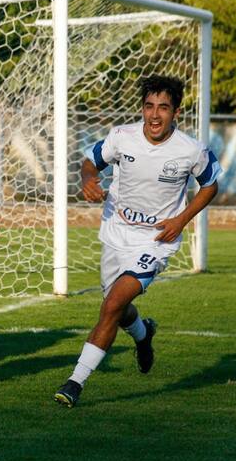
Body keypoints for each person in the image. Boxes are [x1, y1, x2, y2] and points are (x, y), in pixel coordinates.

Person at [54, 75, 222, 408]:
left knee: (113, 304)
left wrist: (181, 220)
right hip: (116, 234)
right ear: (142, 109)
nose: (155, 115)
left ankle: (75, 383)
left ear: (176, 111)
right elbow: (90, 162)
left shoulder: (191, 150)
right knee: (116, 307)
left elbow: (210, 185)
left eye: (163, 107)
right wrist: (89, 180)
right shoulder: (122, 137)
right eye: (149, 106)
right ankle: (143, 335)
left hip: (156, 241)